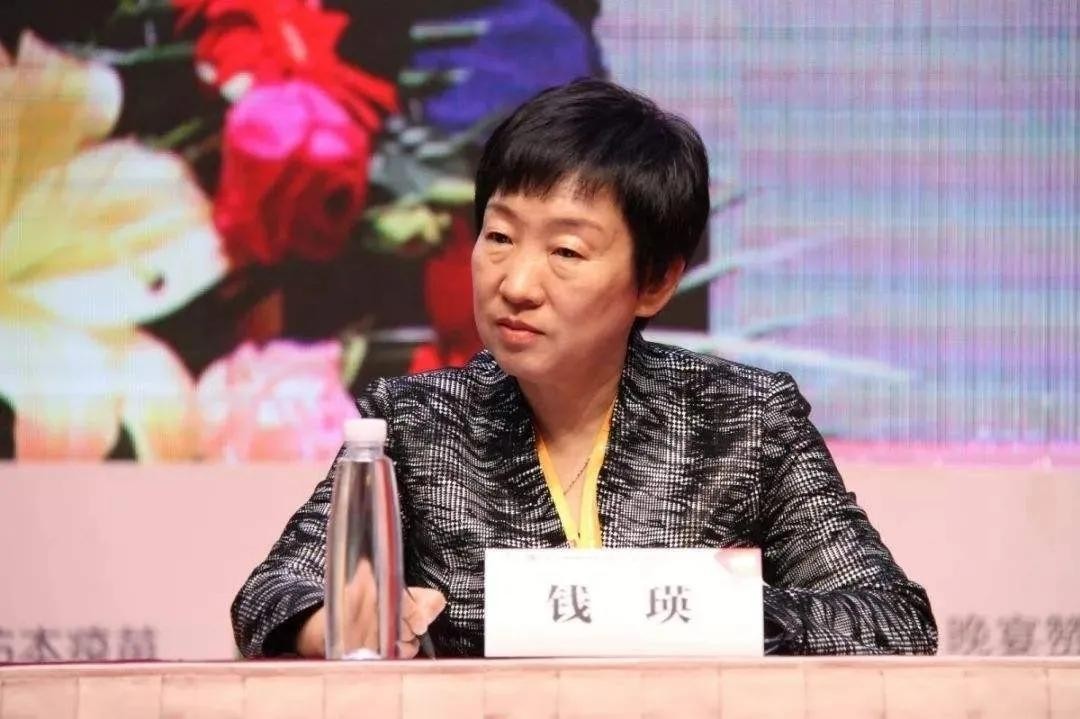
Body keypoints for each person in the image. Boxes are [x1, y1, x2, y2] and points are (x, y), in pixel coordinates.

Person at [231, 78, 938, 658]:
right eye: (499, 236)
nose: (516, 284)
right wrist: (343, 624)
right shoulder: (417, 424)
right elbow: (271, 595)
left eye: (566, 251)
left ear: (655, 282)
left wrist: (699, 610)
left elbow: (894, 619)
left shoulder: (746, 421)